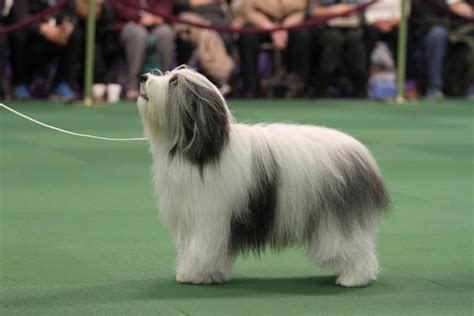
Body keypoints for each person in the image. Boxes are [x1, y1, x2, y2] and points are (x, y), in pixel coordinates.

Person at [7, 0, 78, 100]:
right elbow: (20, 16)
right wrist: (42, 28)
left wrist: (69, 26)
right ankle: (20, 84)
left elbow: (72, 14)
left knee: (74, 35)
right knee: (18, 35)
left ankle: (60, 83)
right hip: (30, 39)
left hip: (54, 36)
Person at [238, 0, 310, 98]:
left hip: (290, 23)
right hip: (259, 21)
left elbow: (300, 10)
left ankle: (298, 86)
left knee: (303, 35)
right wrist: (270, 27)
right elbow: (249, 10)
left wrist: (284, 28)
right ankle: (251, 88)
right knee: (248, 35)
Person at [110, 0, 175, 100]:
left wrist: (156, 16)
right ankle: (132, 87)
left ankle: (164, 84)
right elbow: (117, 6)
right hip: (128, 23)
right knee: (138, 34)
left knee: (166, 33)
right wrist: (139, 17)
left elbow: (165, 5)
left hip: (156, 23)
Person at [411, 0, 474, 99]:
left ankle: (470, 87)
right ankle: (434, 87)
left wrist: (470, 13)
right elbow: (422, 16)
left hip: (464, 28)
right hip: (433, 27)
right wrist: (449, 7)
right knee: (438, 35)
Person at [173, 0, 234, 95]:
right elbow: (182, 3)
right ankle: (214, 78)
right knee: (196, 36)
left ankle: (218, 79)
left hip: (219, 20)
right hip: (191, 19)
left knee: (224, 36)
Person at [308, 0, 368, 97]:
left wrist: (351, 10)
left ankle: (360, 87)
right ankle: (322, 87)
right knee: (334, 39)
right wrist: (332, 11)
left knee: (355, 39)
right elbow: (311, 11)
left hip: (351, 25)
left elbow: (363, 5)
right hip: (324, 26)